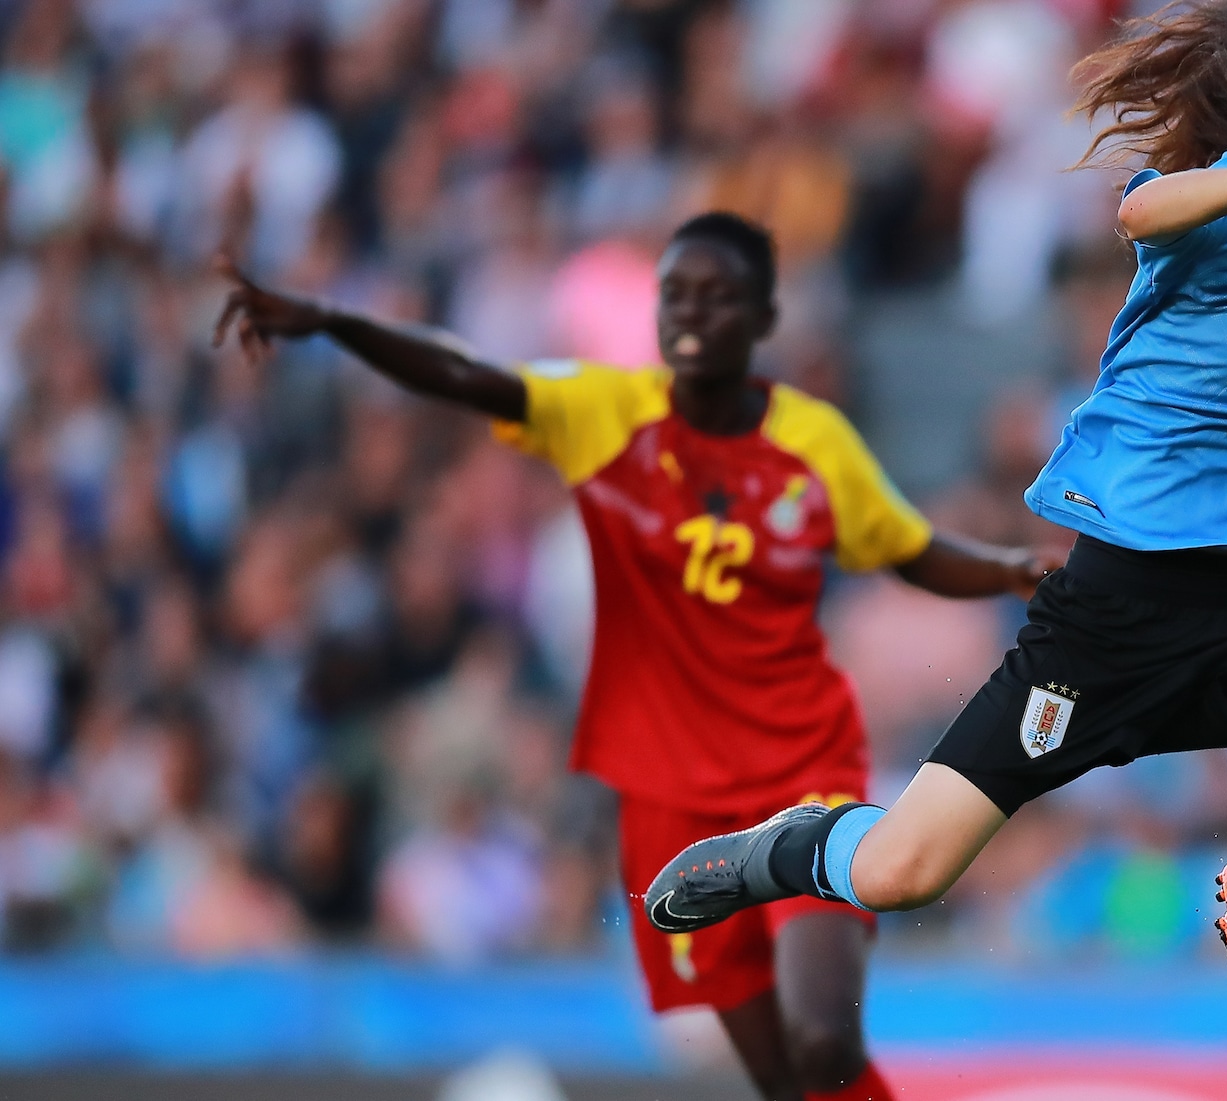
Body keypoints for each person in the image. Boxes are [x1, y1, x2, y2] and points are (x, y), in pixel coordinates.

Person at [645, 0, 1227, 989]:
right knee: (899, 873)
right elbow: (1140, 211)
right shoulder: (1219, 216)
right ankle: (782, 850)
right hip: (1111, 629)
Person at [213, 212, 1055, 1101]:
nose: (691, 313)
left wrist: (1012, 570)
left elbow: (909, 548)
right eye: (675, 294)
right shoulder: (605, 413)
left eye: (717, 296)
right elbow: (465, 373)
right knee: (768, 1067)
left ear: (763, 317)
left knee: (822, 1039)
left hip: (801, 766)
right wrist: (337, 323)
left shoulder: (812, 441)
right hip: (671, 794)